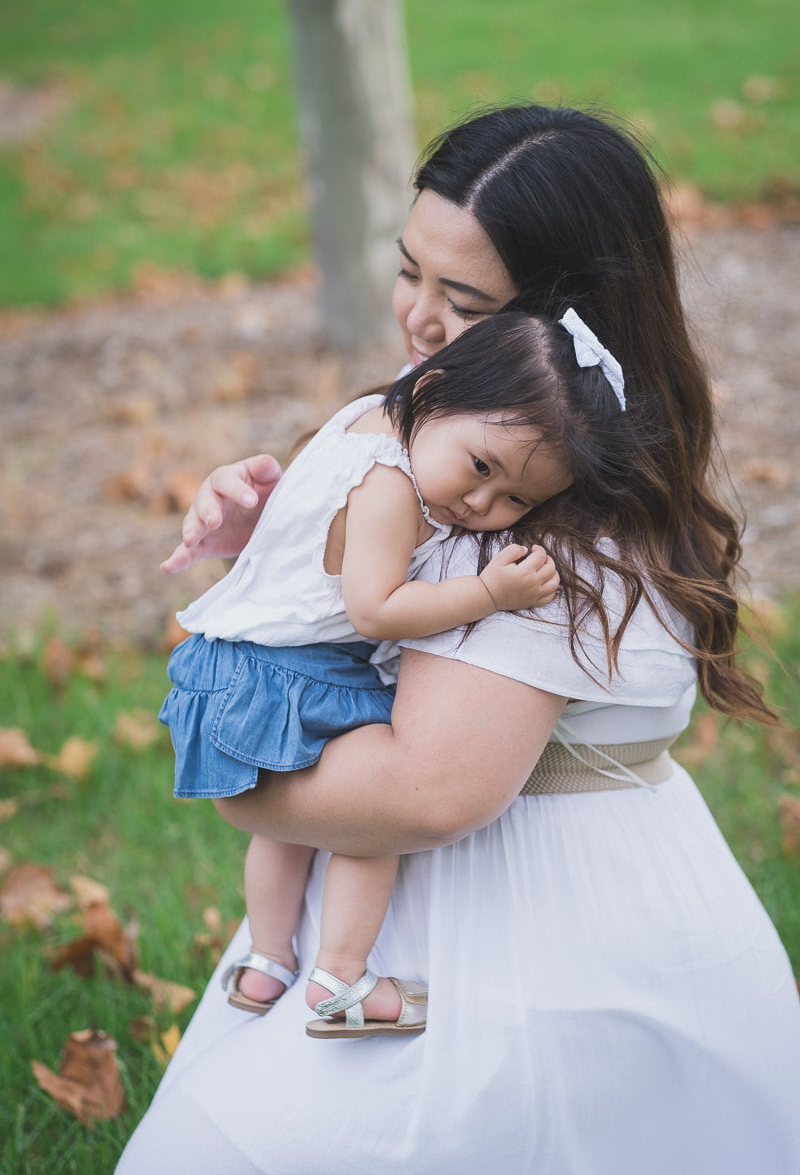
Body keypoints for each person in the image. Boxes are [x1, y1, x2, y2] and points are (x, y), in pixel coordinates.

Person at [117, 104, 800, 1174]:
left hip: (545, 936)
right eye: (408, 273)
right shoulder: (463, 443)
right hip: (424, 897)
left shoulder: (552, 535)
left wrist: (231, 773)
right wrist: (290, 530)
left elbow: (425, 794)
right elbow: (353, 584)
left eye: (464, 299)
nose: (418, 320)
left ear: (561, 327)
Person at [159, 310, 571, 1037]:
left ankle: (266, 961)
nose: (483, 504)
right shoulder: (389, 486)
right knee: (369, 829)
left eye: (517, 500)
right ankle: (340, 980)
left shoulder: (363, 421)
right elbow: (377, 610)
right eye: (480, 467)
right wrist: (489, 592)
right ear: (434, 391)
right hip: (296, 678)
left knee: (285, 834)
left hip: (232, 666)